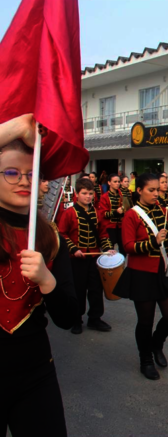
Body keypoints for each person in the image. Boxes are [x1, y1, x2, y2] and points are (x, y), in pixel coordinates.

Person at [0, 127, 77, 437]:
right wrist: (18, 128)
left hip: (34, 372)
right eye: (11, 172)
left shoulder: (52, 238)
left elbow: (69, 317)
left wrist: (48, 280)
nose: (23, 180)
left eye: (32, 173)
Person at [113, 173, 168, 380]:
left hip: (163, 270)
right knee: (145, 321)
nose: (156, 193)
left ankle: (157, 344)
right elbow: (127, 246)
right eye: (151, 190)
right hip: (142, 273)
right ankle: (146, 359)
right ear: (139, 191)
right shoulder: (131, 215)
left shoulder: (164, 210)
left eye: (158, 190)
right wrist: (152, 242)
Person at [58, 178, 116, 334]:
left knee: (96, 289)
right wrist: (73, 249)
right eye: (84, 193)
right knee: (78, 289)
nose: (88, 197)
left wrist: (108, 248)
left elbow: (103, 234)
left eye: (90, 193)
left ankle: (95, 318)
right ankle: (77, 319)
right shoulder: (69, 213)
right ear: (77, 193)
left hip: (94, 257)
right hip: (77, 259)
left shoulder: (97, 214)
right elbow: (62, 234)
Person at [97, 173, 126, 256]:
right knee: (110, 251)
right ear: (109, 183)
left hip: (121, 226)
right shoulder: (104, 197)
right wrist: (116, 212)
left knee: (123, 249)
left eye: (119, 181)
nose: (117, 183)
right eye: (115, 181)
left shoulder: (122, 195)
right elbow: (103, 214)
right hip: (109, 227)